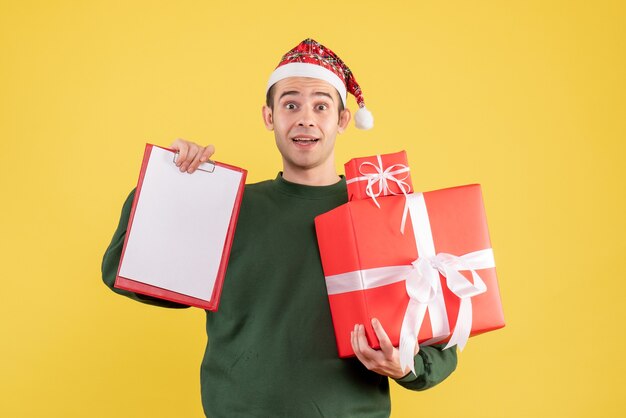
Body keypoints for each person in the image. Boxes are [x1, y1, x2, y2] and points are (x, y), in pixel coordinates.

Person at [102, 38, 457, 418]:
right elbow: (122, 270)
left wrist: (407, 366)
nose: (305, 118)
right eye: (290, 104)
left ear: (342, 120)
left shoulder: (384, 211)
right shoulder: (228, 208)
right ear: (269, 116)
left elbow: (441, 345)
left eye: (321, 105)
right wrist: (167, 184)